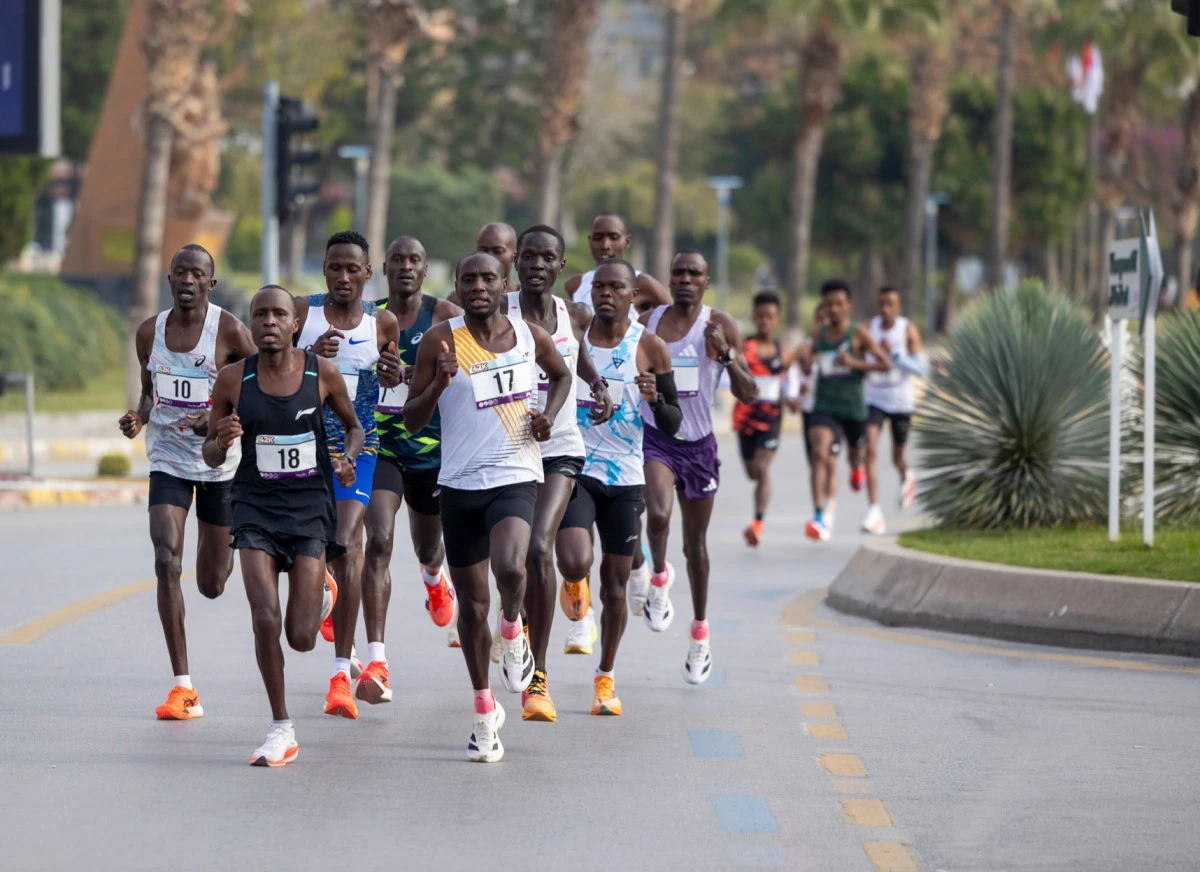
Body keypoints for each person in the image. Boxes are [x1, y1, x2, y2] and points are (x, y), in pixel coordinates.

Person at [402, 252, 571, 762]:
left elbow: (561, 378)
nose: (478, 285)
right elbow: (411, 419)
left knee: (512, 566)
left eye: (488, 278)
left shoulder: (528, 336)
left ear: (505, 284)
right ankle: (483, 714)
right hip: (458, 484)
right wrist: (436, 383)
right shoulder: (441, 340)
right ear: (456, 285)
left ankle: (515, 629)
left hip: (516, 475)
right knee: (473, 606)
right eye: (468, 279)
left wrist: (548, 418)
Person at [204, 285, 363, 767]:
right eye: (260, 315)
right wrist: (222, 439)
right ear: (251, 325)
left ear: (296, 324)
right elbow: (210, 453)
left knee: (301, 637)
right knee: (264, 617)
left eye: (279, 314)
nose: (269, 322)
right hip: (253, 506)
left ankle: (325, 592)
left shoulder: (322, 373)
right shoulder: (234, 379)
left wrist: (348, 459)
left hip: (309, 509)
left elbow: (354, 427)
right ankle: (281, 727)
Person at [119, 244, 256, 720]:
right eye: (180, 272)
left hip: (219, 463)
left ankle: (233, 548)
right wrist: (139, 417)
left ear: (210, 284)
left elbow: (263, 383)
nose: (188, 280)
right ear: (169, 277)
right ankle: (183, 688)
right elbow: (150, 387)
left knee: (213, 584)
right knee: (165, 556)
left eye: (198, 274)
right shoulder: (149, 333)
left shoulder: (230, 331)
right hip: (168, 460)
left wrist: (220, 416)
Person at [556, 258, 681, 716]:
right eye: (600, 287)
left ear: (634, 296)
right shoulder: (574, 337)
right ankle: (573, 590)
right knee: (573, 561)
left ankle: (605, 678)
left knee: (614, 583)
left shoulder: (650, 346)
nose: (606, 294)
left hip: (626, 477)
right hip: (576, 466)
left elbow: (672, 422)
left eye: (617, 288)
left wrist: (656, 398)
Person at [504, 224, 614, 722]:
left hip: (560, 447)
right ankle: (516, 627)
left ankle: (539, 677)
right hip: (505, 449)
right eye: (528, 256)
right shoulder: (496, 311)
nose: (537, 265)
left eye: (547, 258)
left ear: (560, 266)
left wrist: (600, 387)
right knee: (511, 562)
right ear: (515, 261)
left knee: (537, 548)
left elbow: (575, 358)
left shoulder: (573, 314)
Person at [632, 251, 756, 685]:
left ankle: (700, 633)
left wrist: (723, 356)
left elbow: (749, 392)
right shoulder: (649, 323)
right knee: (659, 513)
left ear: (706, 282)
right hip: (656, 439)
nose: (685, 279)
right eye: (678, 273)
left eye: (694, 274)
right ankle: (659, 578)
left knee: (696, 547)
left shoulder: (718, 325)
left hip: (700, 447)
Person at [294, 230, 402, 719]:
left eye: (352, 269)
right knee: (317, 550)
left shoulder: (384, 322)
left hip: (359, 444)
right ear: (324, 270)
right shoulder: (302, 312)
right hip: (303, 446)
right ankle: (330, 600)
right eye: (334, 267)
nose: (342, 277)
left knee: (348, 538)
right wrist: (308, 353)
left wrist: (390, 375)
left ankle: (343, 673)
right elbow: (275, 365)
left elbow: (390, 378)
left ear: (367, 274)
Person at [361, 237, 464, 707]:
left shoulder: (443, 316)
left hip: (432, 450)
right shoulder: (368, 317)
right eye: (397, 260)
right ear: (383, 267)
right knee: (378, 538)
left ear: (426, 270)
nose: (405, 266)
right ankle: (377, 660)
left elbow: (465, 369)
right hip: (381, 447)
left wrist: (411, 376)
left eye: (415, 260)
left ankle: (433, 576)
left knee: (428, 545)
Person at [797, 279, 890, 542]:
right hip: (825, 406)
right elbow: (807, 363)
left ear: (848, 306)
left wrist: (854, 363)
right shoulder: (818, 334)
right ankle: (817, 515)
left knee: (856, 456)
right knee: (818, 452)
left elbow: (885, 364)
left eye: (839, 304)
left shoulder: (858, 334)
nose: (834, 309)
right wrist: (805, 364)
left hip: (853, 409)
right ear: (824, 307)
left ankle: (856, 469)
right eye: (829, 305)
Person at [861, 285, 925, 534]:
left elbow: (921, 369)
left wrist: (895, 356)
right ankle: (874, 511)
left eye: (890, 304)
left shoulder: (907, 330)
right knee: (871, 450)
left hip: (900, 402)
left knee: (896, 456)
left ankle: (906, 474)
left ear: (898, 306)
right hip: (874, 399)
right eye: (881, 304)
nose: (885, 309)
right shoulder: (869, 329)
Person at [735, 291, 792, 547]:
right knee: (751, 473)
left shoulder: (784, 352)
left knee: (762, 467)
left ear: (777, 319)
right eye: (760, 317)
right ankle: (758, 519)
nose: (764, 322)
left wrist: (793, 398)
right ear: (754, 318)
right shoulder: (744, 349)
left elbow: (791, 381)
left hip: (771, 420)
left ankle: (757, 523)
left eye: (769, 317)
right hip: (745, 419)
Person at [564, 212, 671, 315]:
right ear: (590, 241)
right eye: (598, 238)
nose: (605, 245)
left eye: (613, 237)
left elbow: (675, 318)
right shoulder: (576, 285)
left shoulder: (642, 283)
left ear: (627, 241)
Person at [446, 222, 519, 308]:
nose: (489, 257)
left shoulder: (526, 301)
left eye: (497, 251)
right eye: (483, 250)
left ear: (514, 256)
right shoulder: (458, 301)